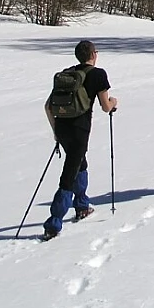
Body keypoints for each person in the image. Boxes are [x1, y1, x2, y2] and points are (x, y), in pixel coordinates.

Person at [42, 40, 118, 241]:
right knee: (68, 175)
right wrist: (114, 102)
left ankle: (82, 205)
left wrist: (56, 132)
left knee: (80, 164)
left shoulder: (67, 74)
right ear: (93, 54)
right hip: (80, 131)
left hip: (63, 129)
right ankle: (53, 223)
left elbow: (48, 107)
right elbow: (105, 106)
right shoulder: (98, 74)